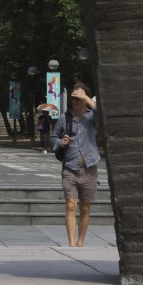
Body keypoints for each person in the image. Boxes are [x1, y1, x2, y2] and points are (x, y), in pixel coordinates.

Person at [51, 83, 99, 247]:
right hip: (70, 168)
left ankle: (80, 241)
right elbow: (52, 138)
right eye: (72, 98)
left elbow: (104, 114)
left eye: (77, 99)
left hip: (89, 168)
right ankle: (71, 242)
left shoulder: (91, 117)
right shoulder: (65, 118)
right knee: (71, 205)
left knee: (85, 207)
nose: (74, 102)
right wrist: (60, 142)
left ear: (85, 100)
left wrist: (85, 97)